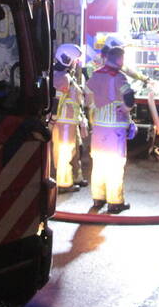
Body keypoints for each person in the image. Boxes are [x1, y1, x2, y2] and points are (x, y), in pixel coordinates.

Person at [85, 44, 135, 213]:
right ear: (120, 59)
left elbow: (86, 93)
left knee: (99, 164)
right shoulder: (119, 77)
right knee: (115, 166)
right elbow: (129, 95)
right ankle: (115, 202)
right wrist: (126, 109)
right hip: (115, 128)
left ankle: (98, 199)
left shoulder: (96, 74)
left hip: (99, 127)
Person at [51, 43, 88, 192]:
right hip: (64, 123)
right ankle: (64, 183)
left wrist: (81, 119)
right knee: (65, 153)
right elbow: (57, 101)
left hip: (71, 122)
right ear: (66, 59)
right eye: (75, 61)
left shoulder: (65, 76)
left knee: (75, 151)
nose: (76, 63)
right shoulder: (62, 78)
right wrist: (53, 119)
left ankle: (76, 177)